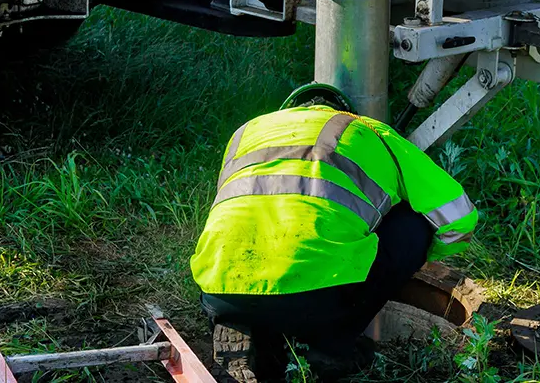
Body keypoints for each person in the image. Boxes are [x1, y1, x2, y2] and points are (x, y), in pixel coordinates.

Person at [190, 86, 478, 382]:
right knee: (414, 222)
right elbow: (458, 217)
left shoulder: (246, 132)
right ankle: (331, 347)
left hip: (219, 288)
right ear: (342, 111)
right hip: (318, 298)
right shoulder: (366, 128)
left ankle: (243, 325)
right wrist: (420, 258)